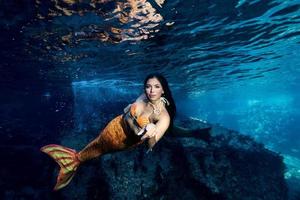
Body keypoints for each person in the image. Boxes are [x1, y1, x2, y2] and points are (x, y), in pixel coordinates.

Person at [41, 73, 176, 191]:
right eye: (148, 86)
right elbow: (128, 113)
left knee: (99, 150)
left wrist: (151, 133)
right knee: (97, 143)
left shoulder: (164, 117)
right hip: (113, 127)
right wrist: (135, 120)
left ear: (163, 89)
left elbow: (149, 145)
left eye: (157, 86)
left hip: (122, 141)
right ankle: (74, 159)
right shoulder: (143, 96)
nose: (151, 90)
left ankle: (73, 161)